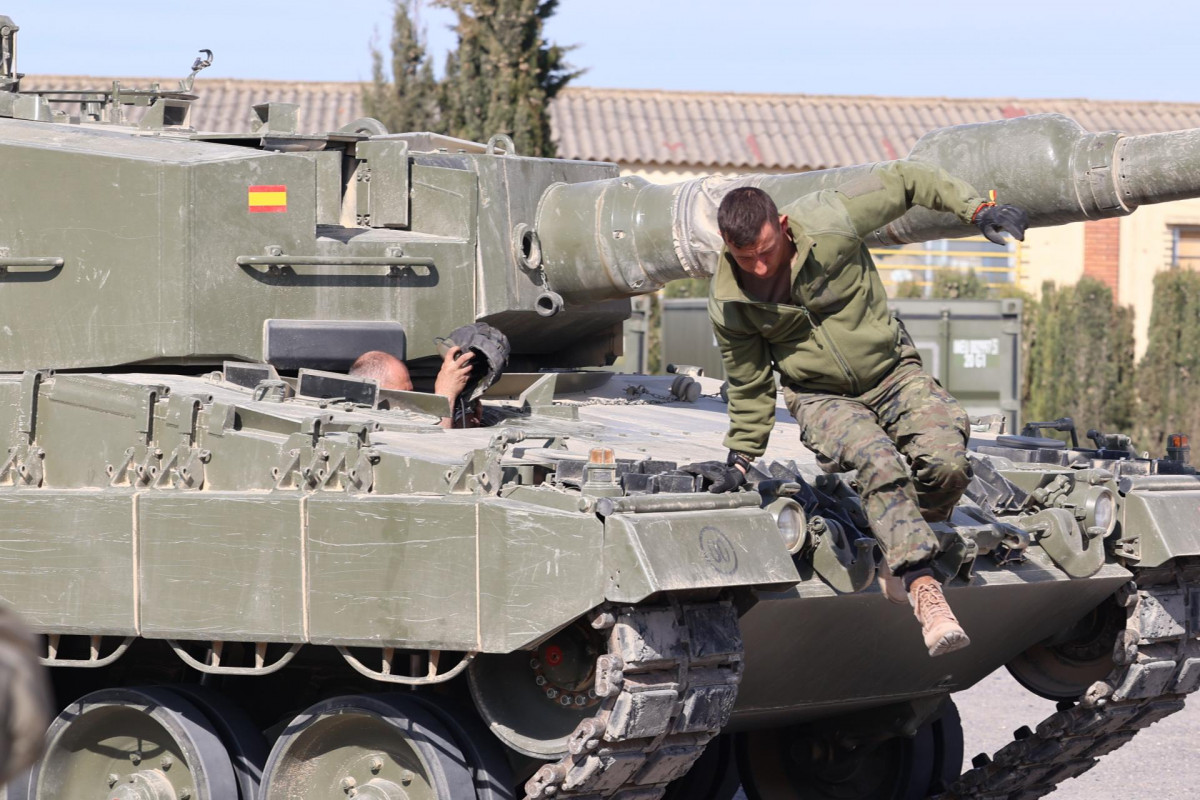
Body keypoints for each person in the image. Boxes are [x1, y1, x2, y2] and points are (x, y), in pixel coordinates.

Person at [705, 164, 1027, 657]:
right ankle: (922, 587)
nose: (761, 268)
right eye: (745, 257)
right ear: (729, 247)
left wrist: (977, 208)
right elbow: (749, 383)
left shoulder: (831, 217)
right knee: (878, 461)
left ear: (784, 226)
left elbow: (908, 179)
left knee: (947, 463)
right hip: (820, 396)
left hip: (892, 372)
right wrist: (742, 457)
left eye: (767, 252)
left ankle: (900, 551)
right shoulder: (731, 302)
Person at [349, 346, 479, 428]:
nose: (408, 402)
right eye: (401, 395)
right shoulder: (362, 427)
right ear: (370, 394)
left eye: (410, 392)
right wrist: (446, 394)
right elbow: (434, 448)